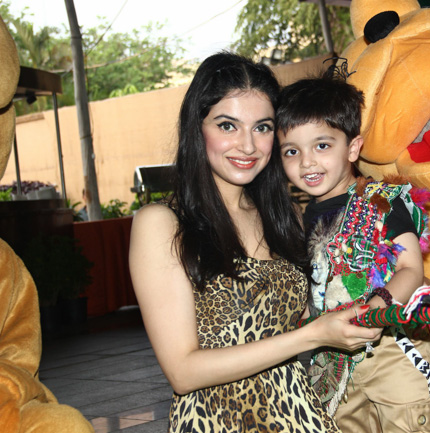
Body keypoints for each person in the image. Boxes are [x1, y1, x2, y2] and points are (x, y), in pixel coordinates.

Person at [128, 52, 382, 433]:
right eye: (227, 125)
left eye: (262, 127)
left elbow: (321, 307)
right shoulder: (162, 224)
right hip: (217, 421)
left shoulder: (286, 216)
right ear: (197, 127)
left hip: (302, 416)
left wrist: (391, 289)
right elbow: (182, 371)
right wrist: (311, 336)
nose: (247, 145)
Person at [276, 75, 430, 433]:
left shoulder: (379, 200)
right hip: (334, 363)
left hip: (393, 351)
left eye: (322, 145)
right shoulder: (303, 218)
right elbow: (317, 288)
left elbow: (410, 268)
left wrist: (375, 307)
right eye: (292, 151)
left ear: (353, 148)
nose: (307, 162)